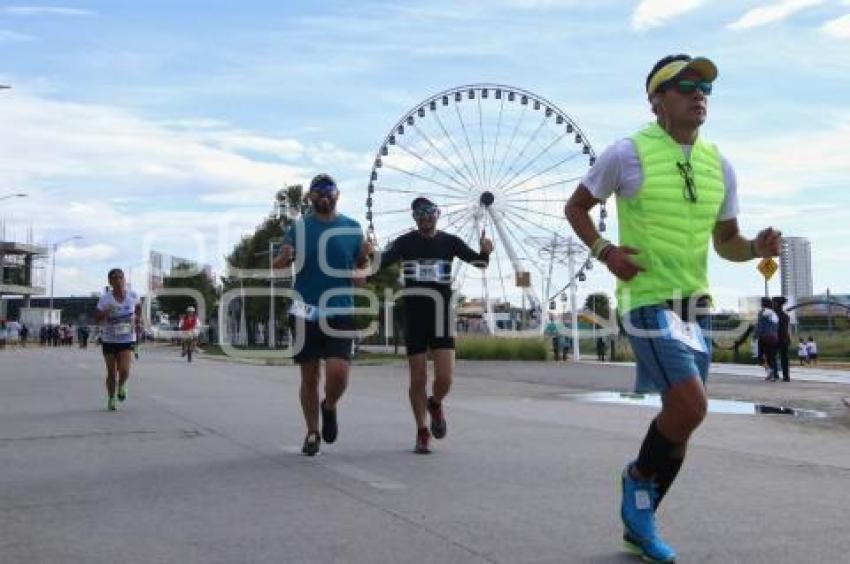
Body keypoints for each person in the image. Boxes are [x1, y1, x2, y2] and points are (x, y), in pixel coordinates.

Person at [565, 54, 782, 563]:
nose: (699, 92)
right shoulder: (626, 153)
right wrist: (606, 253)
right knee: (691, 406)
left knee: (682, 417)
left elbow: (726, 241)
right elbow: (576, 207)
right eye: (686, 85)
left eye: (705, 85)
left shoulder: (719, 164)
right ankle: (638, 486)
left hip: (695, 308)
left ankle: (640, 513)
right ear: (657, 99)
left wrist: (756, 248)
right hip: (645, 302)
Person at [375, 196, 492, 454]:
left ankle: (436, 404)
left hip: (440, 316)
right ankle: (422, 430)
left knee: (445, 378)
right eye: (420, 213)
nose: (426, 216)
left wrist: (486, 250)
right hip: (414, 316)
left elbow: (479, 263)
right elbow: (379, 264)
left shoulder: (450, 242)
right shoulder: (405, 243)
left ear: (438, 214)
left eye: (430, 212)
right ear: (414, 218)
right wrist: (367, 254)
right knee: (417, 378)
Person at [273, 173, 370, 456]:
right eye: (317, 191)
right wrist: (283, 257)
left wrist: (364, 258)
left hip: (340, 308)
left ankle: (330, 406)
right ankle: (313, 431)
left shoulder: (352, 229)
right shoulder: (299, 229)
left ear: (337, 194)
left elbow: (360, 279)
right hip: (304, 309)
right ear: (310, 197)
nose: (323, 195)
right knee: (310, 374)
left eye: (328, 189)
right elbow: (278, 266)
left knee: (339, 373)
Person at [93, 268, 142, 411]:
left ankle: (122, 385)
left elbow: (138, 308)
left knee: (125, 370)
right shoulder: (105, 299)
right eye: (114, 278)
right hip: (109, 339)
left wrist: (138, 320)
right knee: (111, 372)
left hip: (126, 338)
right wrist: (104, 313)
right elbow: (96, 317)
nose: (118, 280)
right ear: (110, 281)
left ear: (124, 279)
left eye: (120, 277)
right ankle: (112, 398)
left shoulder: (133, 295)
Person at [755, 297, 780, 381]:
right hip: (774, 337)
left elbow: (760, 325)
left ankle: (770, 372)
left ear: (763, 303)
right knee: (771, 357)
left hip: (764, 337)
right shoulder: (774, 313)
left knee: (760, 357)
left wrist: (756, 334)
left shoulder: (762, 312)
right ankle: (773, 374)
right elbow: (776, 325)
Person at [772, 296, 791, 381]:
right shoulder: (785, 315)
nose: (772, 304)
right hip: (785, 339)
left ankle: (775, 374)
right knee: (784, 358)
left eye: (774, 303)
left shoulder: (773, 315)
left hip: (776, 338)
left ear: (777, 304)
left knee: (772, 357)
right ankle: (786, 376)